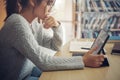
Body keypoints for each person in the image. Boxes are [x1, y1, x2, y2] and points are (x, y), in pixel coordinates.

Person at [0, 0, 105, 80]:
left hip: (29, 72)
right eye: (49, 3)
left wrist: (57, 26)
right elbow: (43, 61)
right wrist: (83, 60)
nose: (50, 8)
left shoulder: (34, 24)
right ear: (32, 1)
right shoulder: (16, 23)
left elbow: (55, 46)